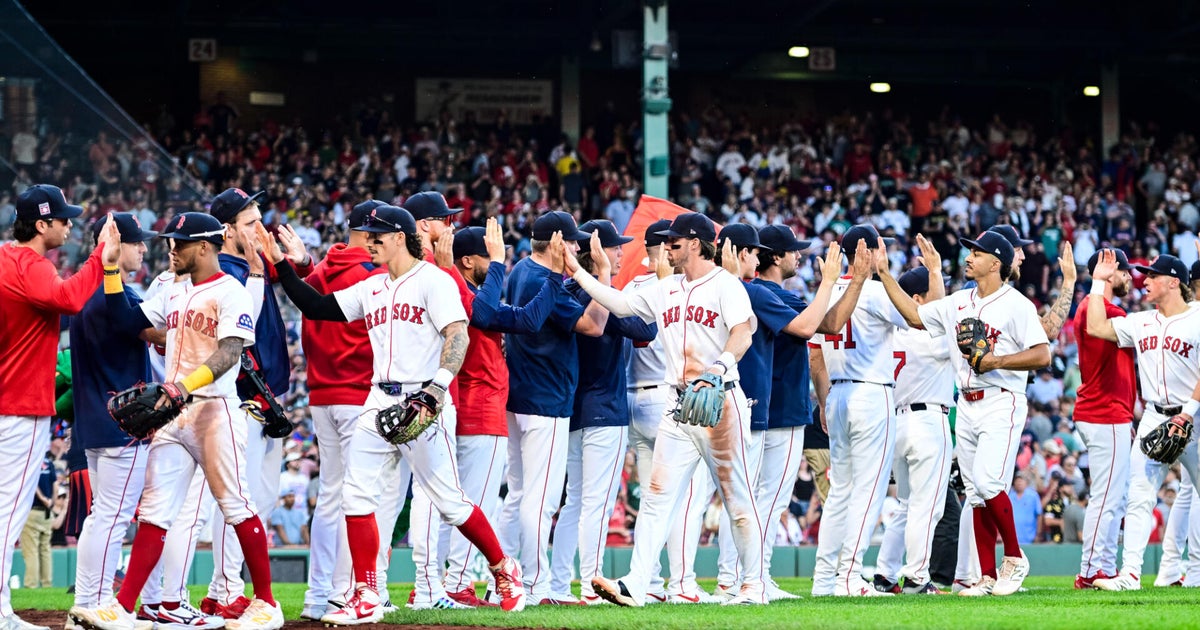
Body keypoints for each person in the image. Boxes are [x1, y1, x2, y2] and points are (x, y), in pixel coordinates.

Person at [258, 204, 528, 620]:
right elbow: (315, 307)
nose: (369, 242)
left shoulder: (434, 281)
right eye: (367, 235)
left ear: (401, 237)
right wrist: (282, 265)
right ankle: (366, 592)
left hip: (424, 400)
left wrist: (437, 389)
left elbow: (458, 336)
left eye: (377, 236)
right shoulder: (372, 286)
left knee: (450, 502)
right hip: (378, 400)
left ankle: (503, 567)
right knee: (355, 496)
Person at [69, 211, 283, 630]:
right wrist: (110, 269)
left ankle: (266, 602)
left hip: (215, 410)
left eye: (179, 244)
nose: (171, 250)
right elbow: (126, 320)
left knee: (236, 505)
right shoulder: (173, 290)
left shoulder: (231, 291)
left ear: (204, 247)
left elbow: (230, 352)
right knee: (155, 512)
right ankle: (124, 606)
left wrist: (185, 385)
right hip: (174, 412)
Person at [562, 212, 778, 607]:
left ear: (695, 243)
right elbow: (620, 305)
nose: (666, 247)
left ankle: (753, 585)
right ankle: (636, 584)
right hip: (677, 403)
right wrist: (579, 272)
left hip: (719, 401)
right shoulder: (666, 288)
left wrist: (718, 368)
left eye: (674, 242)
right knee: (657, 497)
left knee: (737, 499)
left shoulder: (726, 284)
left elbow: (742, 333)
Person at [876, 230, 1051, 597]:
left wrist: (997, 361)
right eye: (970, 251)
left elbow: (1042, 354)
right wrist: (885, 275)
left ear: (996, 263)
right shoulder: (958, 301)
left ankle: (1015, 557)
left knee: (988, 483)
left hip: (1002, 398)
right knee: (975, 494)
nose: (969, 257)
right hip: (968, 403)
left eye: (977, 253)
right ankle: (986, 576)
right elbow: (915, 315)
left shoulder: (1017, 304)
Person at [0, 185, 119, 630]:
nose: (69, 224)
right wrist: (101, 257)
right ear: (40, 224)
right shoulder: (31, 264)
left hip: (8, 400)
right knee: (8, 513)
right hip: (20, 407)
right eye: (62, 218)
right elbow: (69, 299)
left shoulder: (5, 258)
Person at [709, 224, 840, 601]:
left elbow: (825, 324)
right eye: (793, 250)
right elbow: (812, 326)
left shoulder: (739, 290)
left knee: (743, 498)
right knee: (762, 499)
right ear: (773, 256)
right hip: (772, 407)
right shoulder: (757, 291)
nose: (799, 255)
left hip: (750, 404)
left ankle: (735, 578)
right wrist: (830, 281)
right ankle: (747, 577)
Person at [443, 218, 566, 607]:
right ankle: (455, 583)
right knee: (473, 503)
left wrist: (555, 277)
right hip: (480, 407)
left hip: (476, 407)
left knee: (457, 501)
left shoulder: (469, 292)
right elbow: (484, 315)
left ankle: (441, 583)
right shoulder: (464, 294)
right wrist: (500, 265)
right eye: (489, 255)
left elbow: (526, 319)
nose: (498, 260)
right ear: (467, 261)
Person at [204, 187, 312, 618]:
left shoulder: (250, 265)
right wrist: (262, 269)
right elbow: (241, 333)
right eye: (249, 223)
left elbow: (299, 281)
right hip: (242, 396)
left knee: (261, 498)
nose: (260, 229)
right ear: (227, 230)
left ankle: (224, 587)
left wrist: (297, 261)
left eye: (259, 220)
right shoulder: (224, 270)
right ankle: (225, 589)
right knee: (238, 498)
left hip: (268, 396)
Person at [497, 210, 607, 604]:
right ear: (558, 243)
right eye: (573, 241)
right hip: (545, 399)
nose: (577, 247)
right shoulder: (546, 279)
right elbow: (593, 325)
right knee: (539, 500)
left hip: (519, 395)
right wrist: (602, 275)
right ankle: (535, 584)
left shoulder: (520, 271)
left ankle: (503, 579)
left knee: (518, 494)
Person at [550, 220, 657, 605]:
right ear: (597, 252)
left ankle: (558, 584)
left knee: (574, 502)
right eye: (614, 248)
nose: (621, 253)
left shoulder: (564, 290)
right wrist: (607, 279)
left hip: (572, 409)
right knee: (596, 501)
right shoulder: (603, 297)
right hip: (605, 410)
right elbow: (647, 330)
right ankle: (590, 585)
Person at [809, 224, 914, 597]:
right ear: (868, 252)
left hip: (836, 393)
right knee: (868, 491)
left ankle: (824, 579)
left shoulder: (826, 291)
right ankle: (850, 577)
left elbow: (815, 357)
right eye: (882, 248)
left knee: (840, 491)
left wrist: (824, 401)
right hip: (871, 394)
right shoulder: (873, 291)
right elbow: (919, 317)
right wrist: (886, 275)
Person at [1087, 252, 1200, 592]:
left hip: (1194, 416)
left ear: (1174, 282)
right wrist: (1098, 282)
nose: (1144, 280)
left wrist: (1188, 413)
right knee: (1138, 496)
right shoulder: (1141, 321)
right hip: (1155, 415)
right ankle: (1131, 575)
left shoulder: (1197, 318)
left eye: (1152, 275)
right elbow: (1096, 327)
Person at [69, 213, 163, 614]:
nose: (143, 248)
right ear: (113, 244)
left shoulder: (83, 291)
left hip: (94, 421)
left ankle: (86, 602)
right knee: (113, 518)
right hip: (123, 425)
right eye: (136, 241)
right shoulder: (115, 296)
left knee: (101, 517)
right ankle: (96, 604)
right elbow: (160, 333)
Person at [299, 200, 388, 621]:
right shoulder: (373, 276)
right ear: (369, 235)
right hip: (357, 393)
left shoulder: (319, 271)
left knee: (330, 496)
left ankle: (318, 595)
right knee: (358, 497)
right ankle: (343, 594)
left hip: (321, 393)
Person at [872, 267, 955, 595]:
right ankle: (917, 577)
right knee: (927, 506)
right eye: (935, 291)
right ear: (917, 299)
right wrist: (935, 270)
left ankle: (885, 573)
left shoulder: (890, 333)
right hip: (927, 422)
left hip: (897, 422)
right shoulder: (930, 335)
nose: (942, 299)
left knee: (907, 505)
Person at [1068, 253, 1135, 584]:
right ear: (1109, 272)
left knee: (1115, 496)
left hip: (1110, 412)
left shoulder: (1095, 308)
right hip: (1103, 411)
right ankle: (1090, 569)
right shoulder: (1101, 310)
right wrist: (1098, 281)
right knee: (1107, 496)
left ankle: (1104, 566)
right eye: (1125, 270)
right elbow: (1098, 323)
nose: (1130, 277)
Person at [20, 450, 57, 589]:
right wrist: (51, 502)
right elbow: (55, 485)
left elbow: (32, 483)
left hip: (32, 510)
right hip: (47, 512)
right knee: (45, 549)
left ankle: (31, 585)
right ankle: (47, 585)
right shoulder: (48, 462)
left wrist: (42, 498)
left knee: (31, 551)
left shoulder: (30, 461)